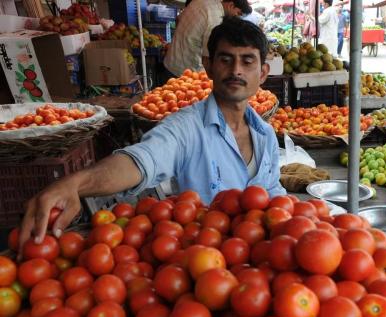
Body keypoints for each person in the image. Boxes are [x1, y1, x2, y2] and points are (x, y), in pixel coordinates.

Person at [19, 17, 286, 250]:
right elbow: (140, 160)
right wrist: (76, 184)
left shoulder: (265, 135)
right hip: (203, 258)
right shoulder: (186, 127)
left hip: (258, 262)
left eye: (247, 61)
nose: (236, 70)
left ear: (263, 73)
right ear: (209, 66)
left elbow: (274, 194)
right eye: (226, 59)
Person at [163, 0, 252, 78]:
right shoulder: (216, 18)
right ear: (231, 6)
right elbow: (208, 56)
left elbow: (178, 18)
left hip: (171, 62)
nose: (237, 18)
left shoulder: (202, 2)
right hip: (185, 73)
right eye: (238, 13)